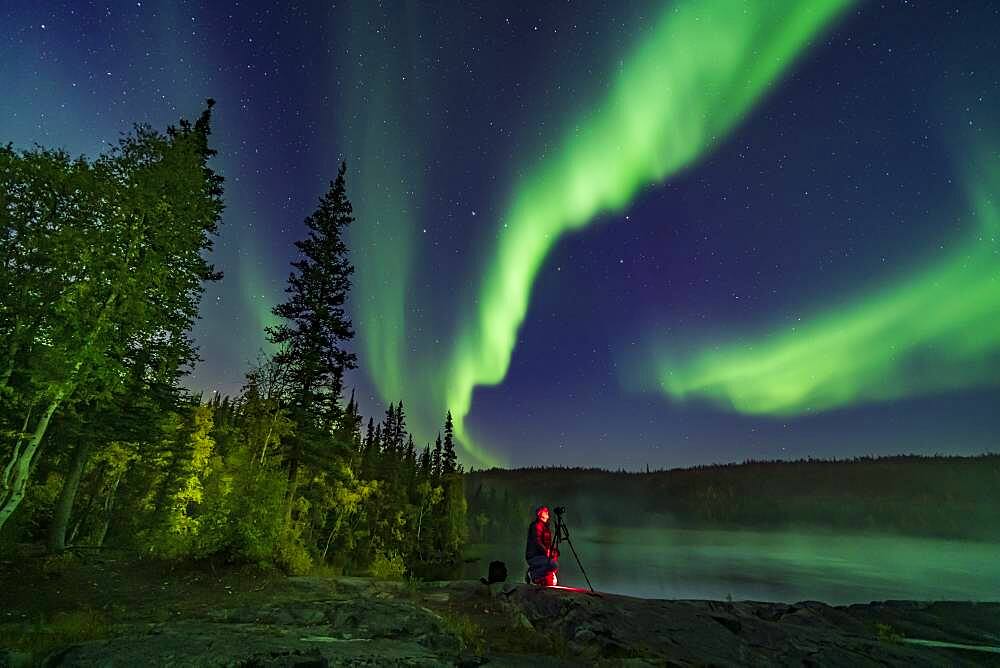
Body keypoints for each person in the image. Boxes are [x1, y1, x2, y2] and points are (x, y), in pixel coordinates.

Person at [525, 505, 559, 586]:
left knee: (553, 565)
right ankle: (532, 574)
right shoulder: (536, 526)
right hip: (534, 556)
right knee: (553, 565)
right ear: (540, 514)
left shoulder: (545, 527)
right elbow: (537, 542)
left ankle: (541, 578)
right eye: (545, 511)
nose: (547, 512)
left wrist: (553, 551)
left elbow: (546, 543)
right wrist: (547, 551)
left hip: (541, 556)